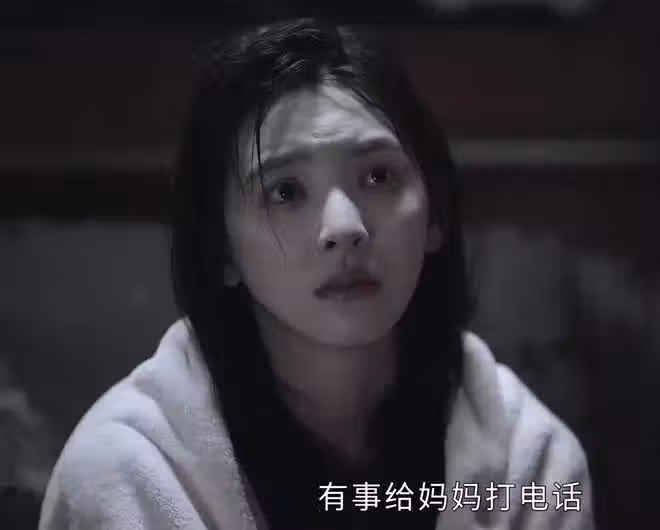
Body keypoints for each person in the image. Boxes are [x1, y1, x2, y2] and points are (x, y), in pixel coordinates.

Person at [39, 17, 594, 530]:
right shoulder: (127, 472)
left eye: (379, 177)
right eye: (285, 192)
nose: (344, 227)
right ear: (220, 247)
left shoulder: (529, 462)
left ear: (435, 216)